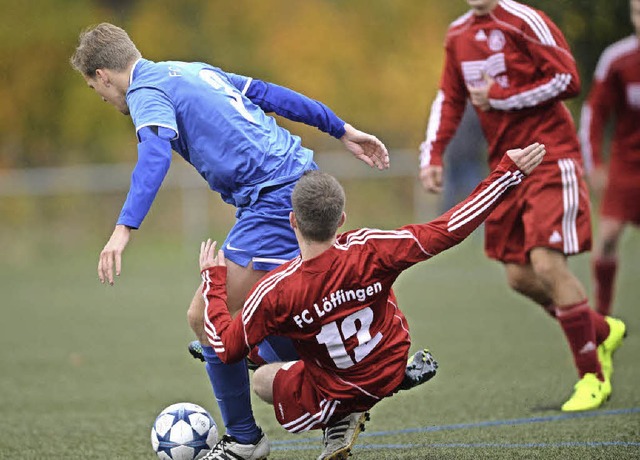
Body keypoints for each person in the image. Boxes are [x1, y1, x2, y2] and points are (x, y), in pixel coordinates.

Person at [70, 23, 389, 460]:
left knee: (206, 318)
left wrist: (123, 229)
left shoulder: (145, 92)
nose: (103, 98)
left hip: (274, 199)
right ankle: (357, 374)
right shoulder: (190, 70)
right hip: (297, 178)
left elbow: (155, 154)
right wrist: (341, 128)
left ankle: (247, 439)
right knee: (270, 314)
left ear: (104, 75)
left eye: (95, 89)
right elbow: (270, 94)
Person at [199, 143, 546, 460]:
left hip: (338, 386)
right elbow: (449, 228)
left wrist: (214, 281)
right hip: (389, 364)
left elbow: (226, 348)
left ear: (293, 221)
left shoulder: (277, 290)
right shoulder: (371, 249)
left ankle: (340, 414)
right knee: (306, 319)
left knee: (262, 379)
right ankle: (376, 385)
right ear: (341, 220)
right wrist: (507, 174)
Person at [418, 0, 626, 412]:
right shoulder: (458, 34)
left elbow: (567, 79)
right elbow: (449, 97)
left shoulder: (525, 20)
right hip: (508, 166)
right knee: (518, 276)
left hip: (550, 154)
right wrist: (434, 154)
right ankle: (599, 330)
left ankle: (592, 377)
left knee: (547, 263)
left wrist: (501, 98)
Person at [579, 0, 640, 317]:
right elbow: (594, 113)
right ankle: (603, 316)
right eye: (636, 13)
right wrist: (595, 165)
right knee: (607, 239)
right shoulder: (617, 59)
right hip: (626, 165)